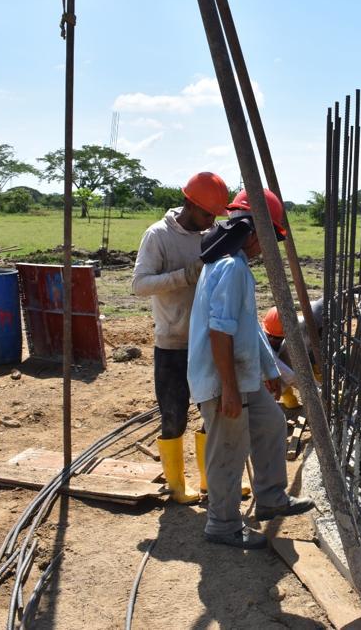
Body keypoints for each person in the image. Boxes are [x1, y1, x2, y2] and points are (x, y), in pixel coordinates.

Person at [188, 188, 315, 549]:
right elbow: (220, 332)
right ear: (255, 231)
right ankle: (222, 524)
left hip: (240, 375)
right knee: (228, 450)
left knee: (271, 423)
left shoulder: (233, 263)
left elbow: (248, 326)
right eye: (270, 238)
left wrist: (269, 369)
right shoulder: (229, 268)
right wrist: (229, 388)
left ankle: (271, 497)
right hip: (222, 379)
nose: (266, 248)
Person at [132, 172, 230, 505]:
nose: (211, 221)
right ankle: (176, 485)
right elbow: (140, 284)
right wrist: (185, 275)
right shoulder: (158, 236)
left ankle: (209, 481)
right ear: (189, 203)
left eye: (215, 215)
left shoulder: (209, 234)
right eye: (207, 214)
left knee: (211, 413)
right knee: (173, 414)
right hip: (172, 342)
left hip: (205, 342)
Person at [261, 307, 301, 409]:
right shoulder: (264, 347)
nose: (273, 340)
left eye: (278, 338)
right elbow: (289, 376)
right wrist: (315, 391)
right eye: (270, 336)